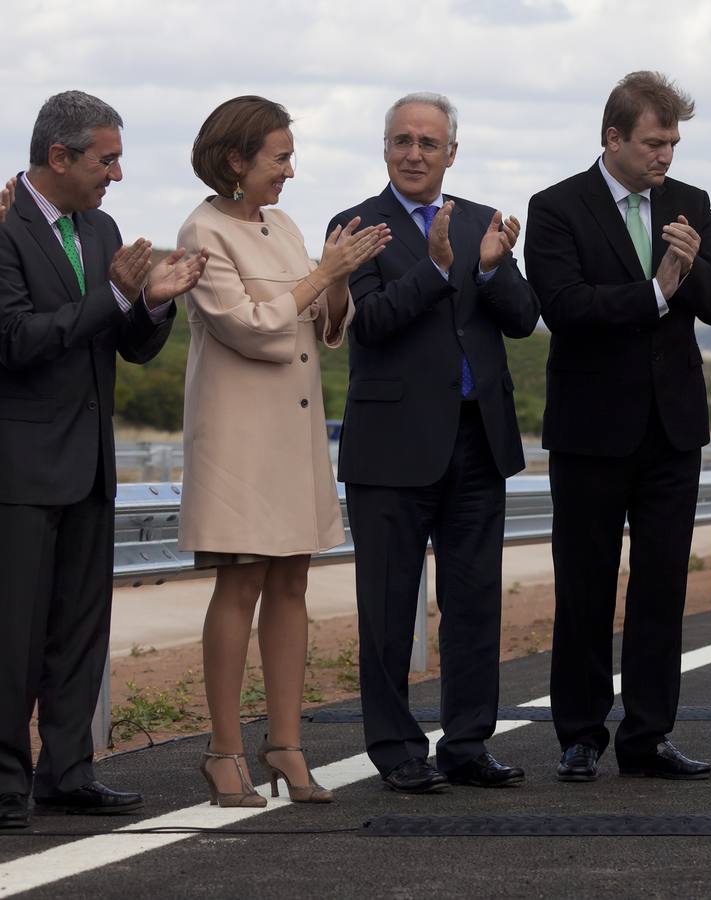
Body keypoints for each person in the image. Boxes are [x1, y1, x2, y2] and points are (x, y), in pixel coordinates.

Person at [526, 71, 711, 782]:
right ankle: (580, 733)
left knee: (661, 590)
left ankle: (648, 736)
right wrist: (654, 290)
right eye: (654, 142)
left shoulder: (688, 204)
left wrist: (690, 261)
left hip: (670, 431)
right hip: (591, 430)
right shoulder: (556, 207)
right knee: (585, 586)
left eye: (674, 142)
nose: (666, 156)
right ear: (612, 136)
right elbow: (565, 307)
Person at [176, 95, 390, 807]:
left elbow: (322, 323)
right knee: (239, 586)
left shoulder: (284, 224)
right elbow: (254, 327)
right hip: (238, 443)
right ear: (236, 160)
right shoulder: (202, 231)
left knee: (293, 585)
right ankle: (224, 749)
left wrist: (343, 280)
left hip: (293, 437)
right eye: (280, 157)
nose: (290, 172)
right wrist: (321, 277)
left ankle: (287, 745)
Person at [0, 91, 202, 828]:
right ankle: (3, 783)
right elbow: (17, 340)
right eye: (105, 159)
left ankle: (68, 772)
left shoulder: (102, 228)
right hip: (19, 470)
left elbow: (129, 345)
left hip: (89, 466)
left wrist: (153, 303)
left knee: (79, 629)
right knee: (12, 636)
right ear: (59, 156)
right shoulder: (4, 227)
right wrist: (116, 294)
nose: (115, 174)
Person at [333, 93, 539, 794]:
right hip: (390, 449)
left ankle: (468, 745)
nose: (414, 153)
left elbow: (520, 318)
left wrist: (486, 267)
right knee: (388, 610)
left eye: (428, 142)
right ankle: (396, 751)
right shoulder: (355, 226)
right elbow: (371, 325)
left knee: (475, 605)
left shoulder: (485, 220)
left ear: (452, 152)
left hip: (477, 441)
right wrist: (436, 264)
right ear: (384, 148)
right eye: (401, 141)